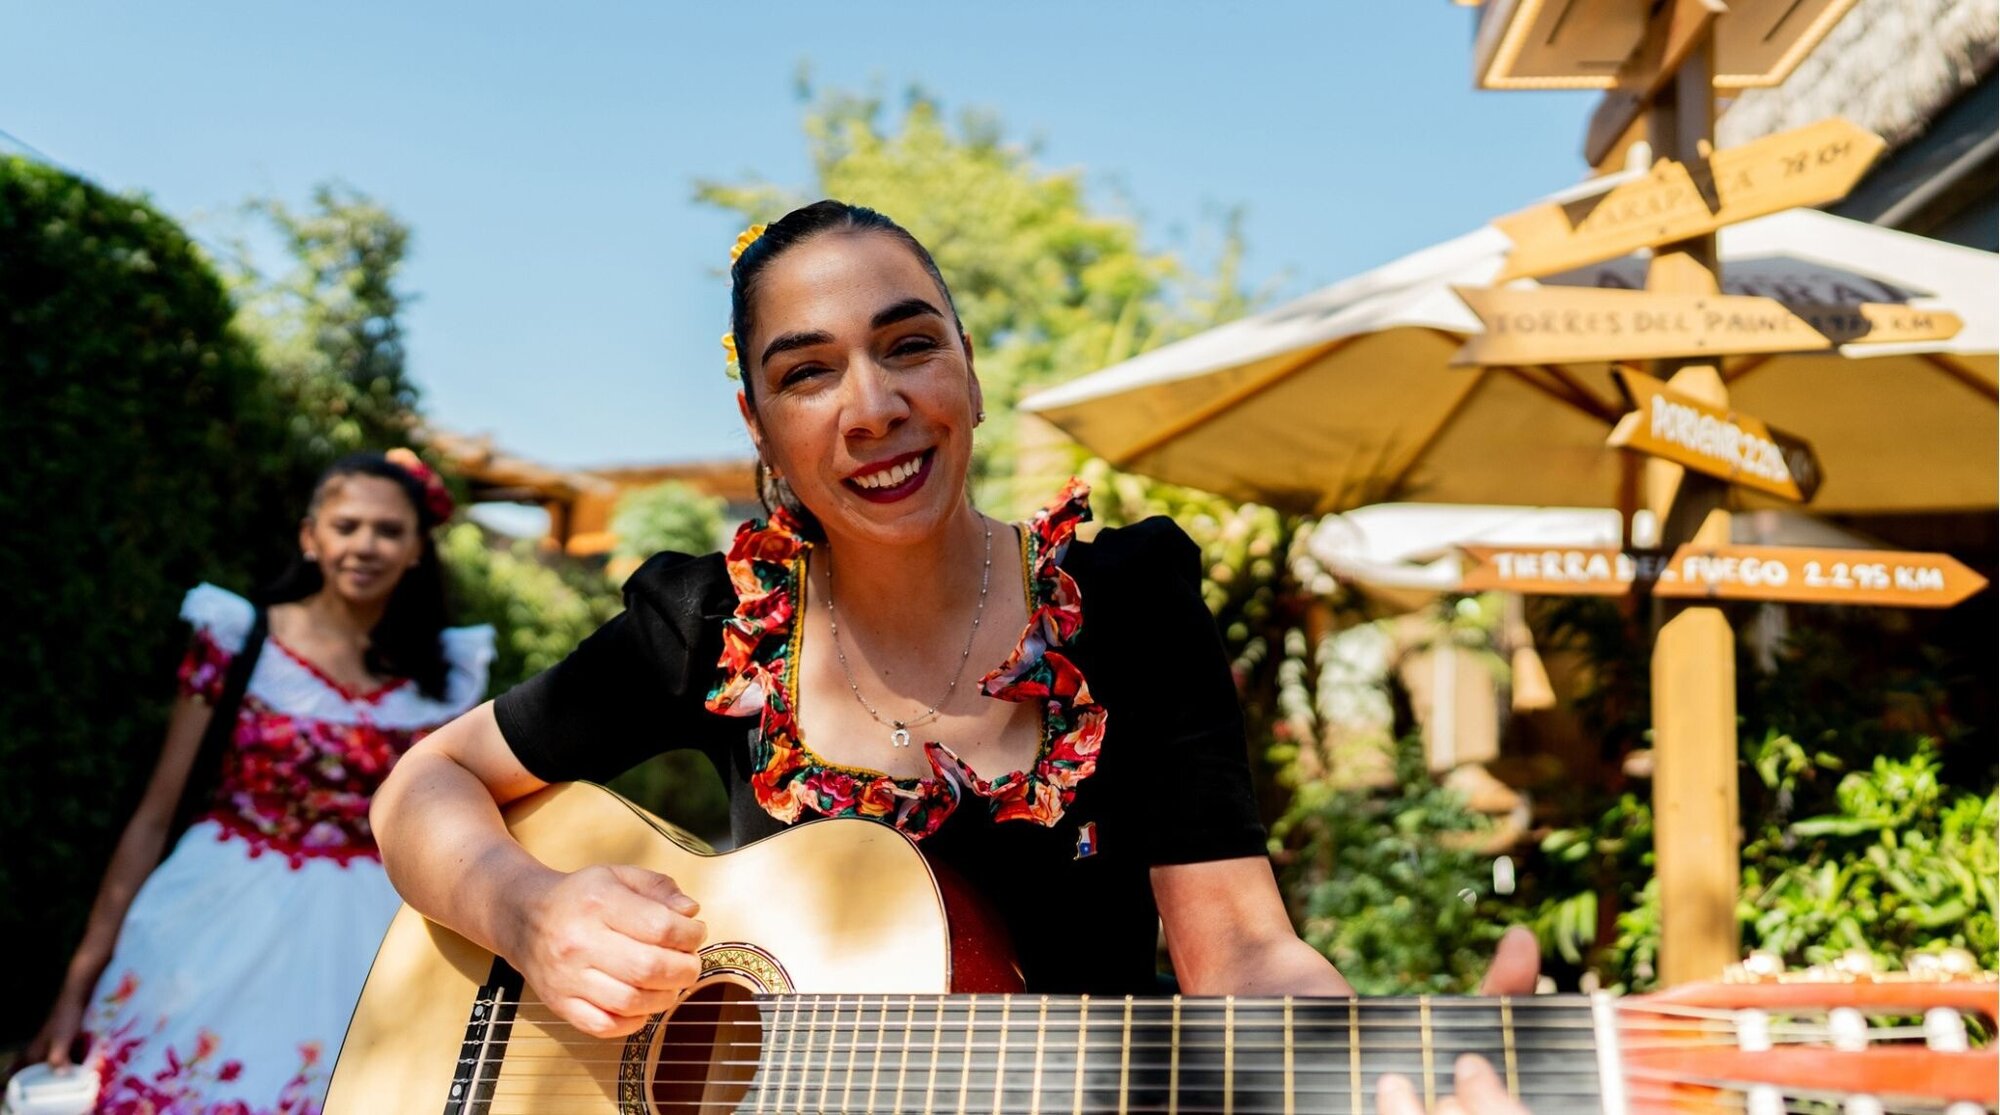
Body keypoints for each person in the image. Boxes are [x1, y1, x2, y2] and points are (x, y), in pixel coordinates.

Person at [370, 200, 1539, 1102]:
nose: (871, 405)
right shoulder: (717, 622)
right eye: (806, 371)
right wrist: (526, 908)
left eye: (908, 345)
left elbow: (1237, 952)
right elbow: (422, 787)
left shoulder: (1123, 602)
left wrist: (1373, 1072)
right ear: (760, 428)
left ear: (968, 369)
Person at [24, 450, 495, 1113]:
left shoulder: (449, 674)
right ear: (311, 536)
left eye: (389, 530)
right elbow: (155, 815)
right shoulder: (239, 637)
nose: (366, 544)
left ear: (418, 548)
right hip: (212, 920)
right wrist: (77, 981)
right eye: (347, 524)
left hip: (376, 944)